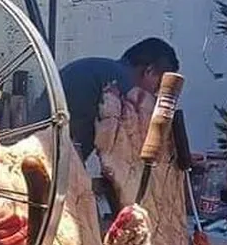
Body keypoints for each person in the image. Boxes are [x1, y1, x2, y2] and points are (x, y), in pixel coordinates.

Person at [30, 37, 180, 162]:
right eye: (158, 87)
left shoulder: (103, 70)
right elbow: (143, 139)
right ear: (149, 71)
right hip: (46, 154)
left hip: (37, 144)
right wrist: (175, 157)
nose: (155, 94)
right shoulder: (122, 83)